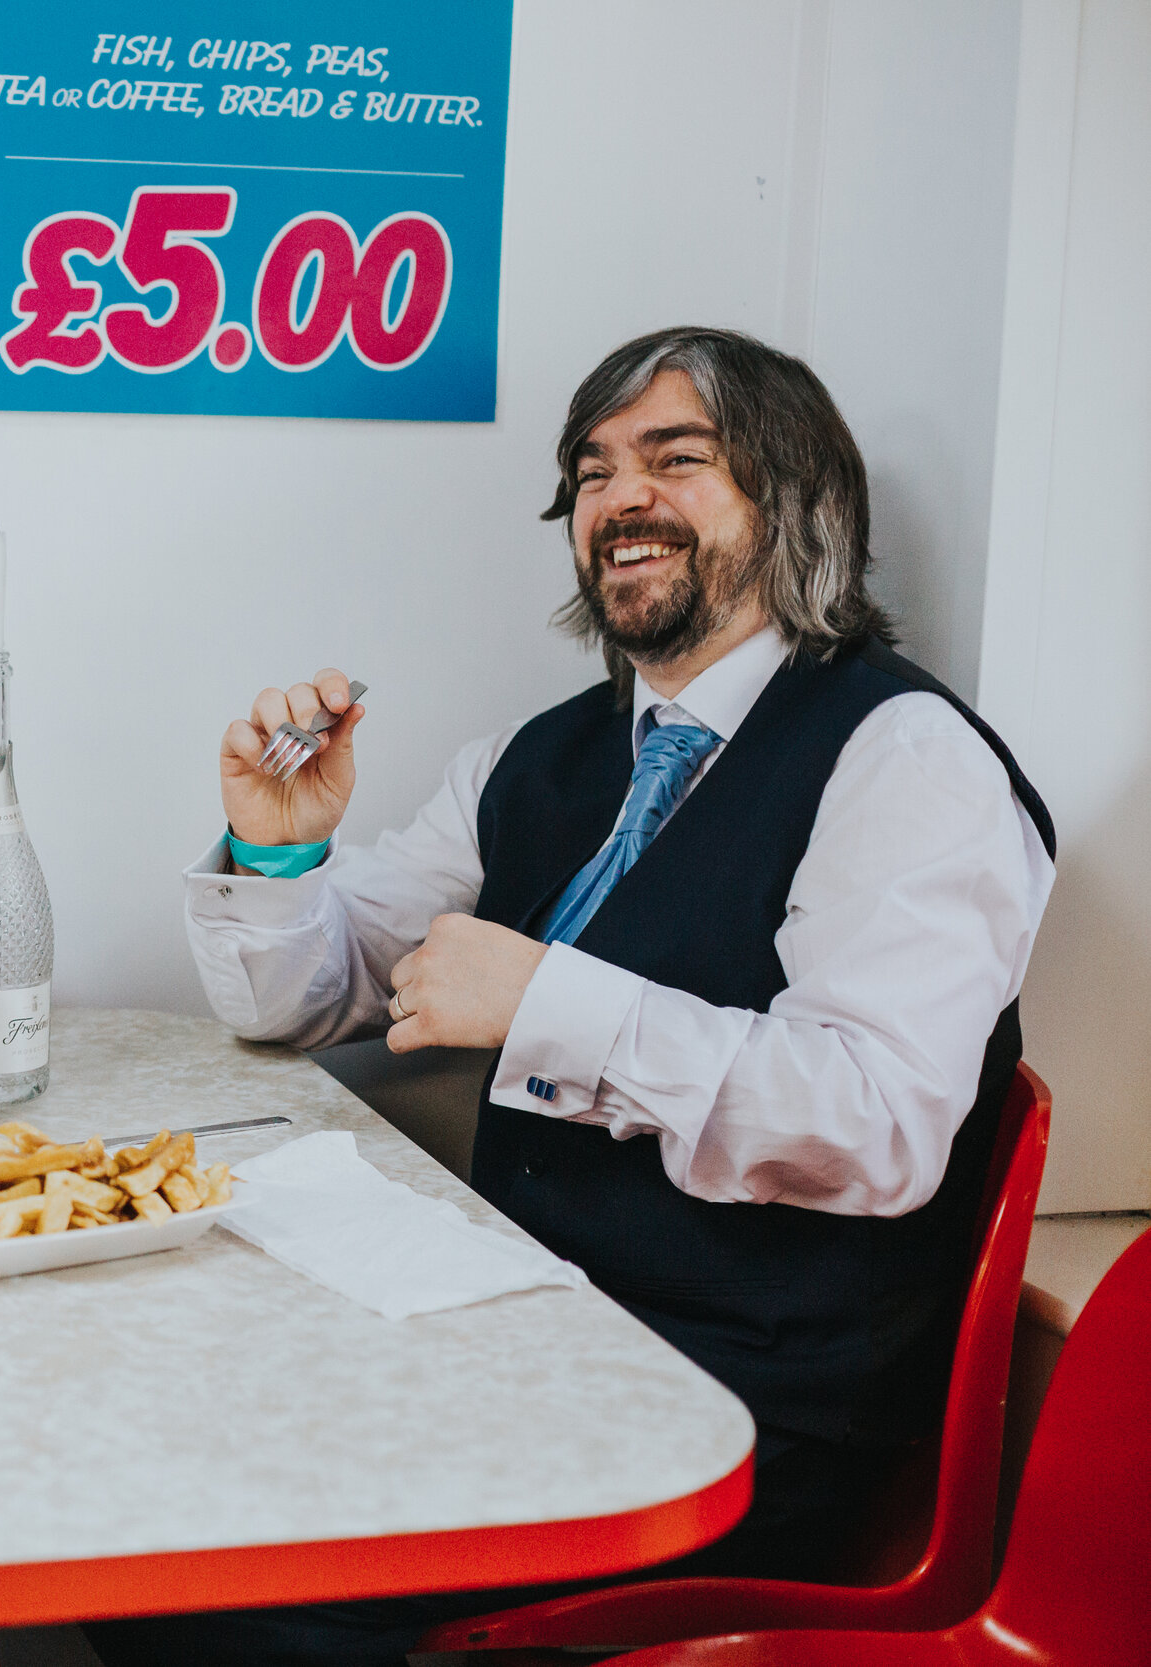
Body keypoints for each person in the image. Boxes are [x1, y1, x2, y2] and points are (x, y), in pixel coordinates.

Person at [90, 327, 1056, 1666]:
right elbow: (304, 1000)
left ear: (798, 506)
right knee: (134, 1474)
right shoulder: (545, 753)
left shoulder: (907, 760)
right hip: (524, 1344)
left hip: (741, 1415)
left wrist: (546, 997)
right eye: (593, 471)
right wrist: (278, 848)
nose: (618, 499)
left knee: (220, 1580)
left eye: (676, 459)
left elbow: (877, 1122)